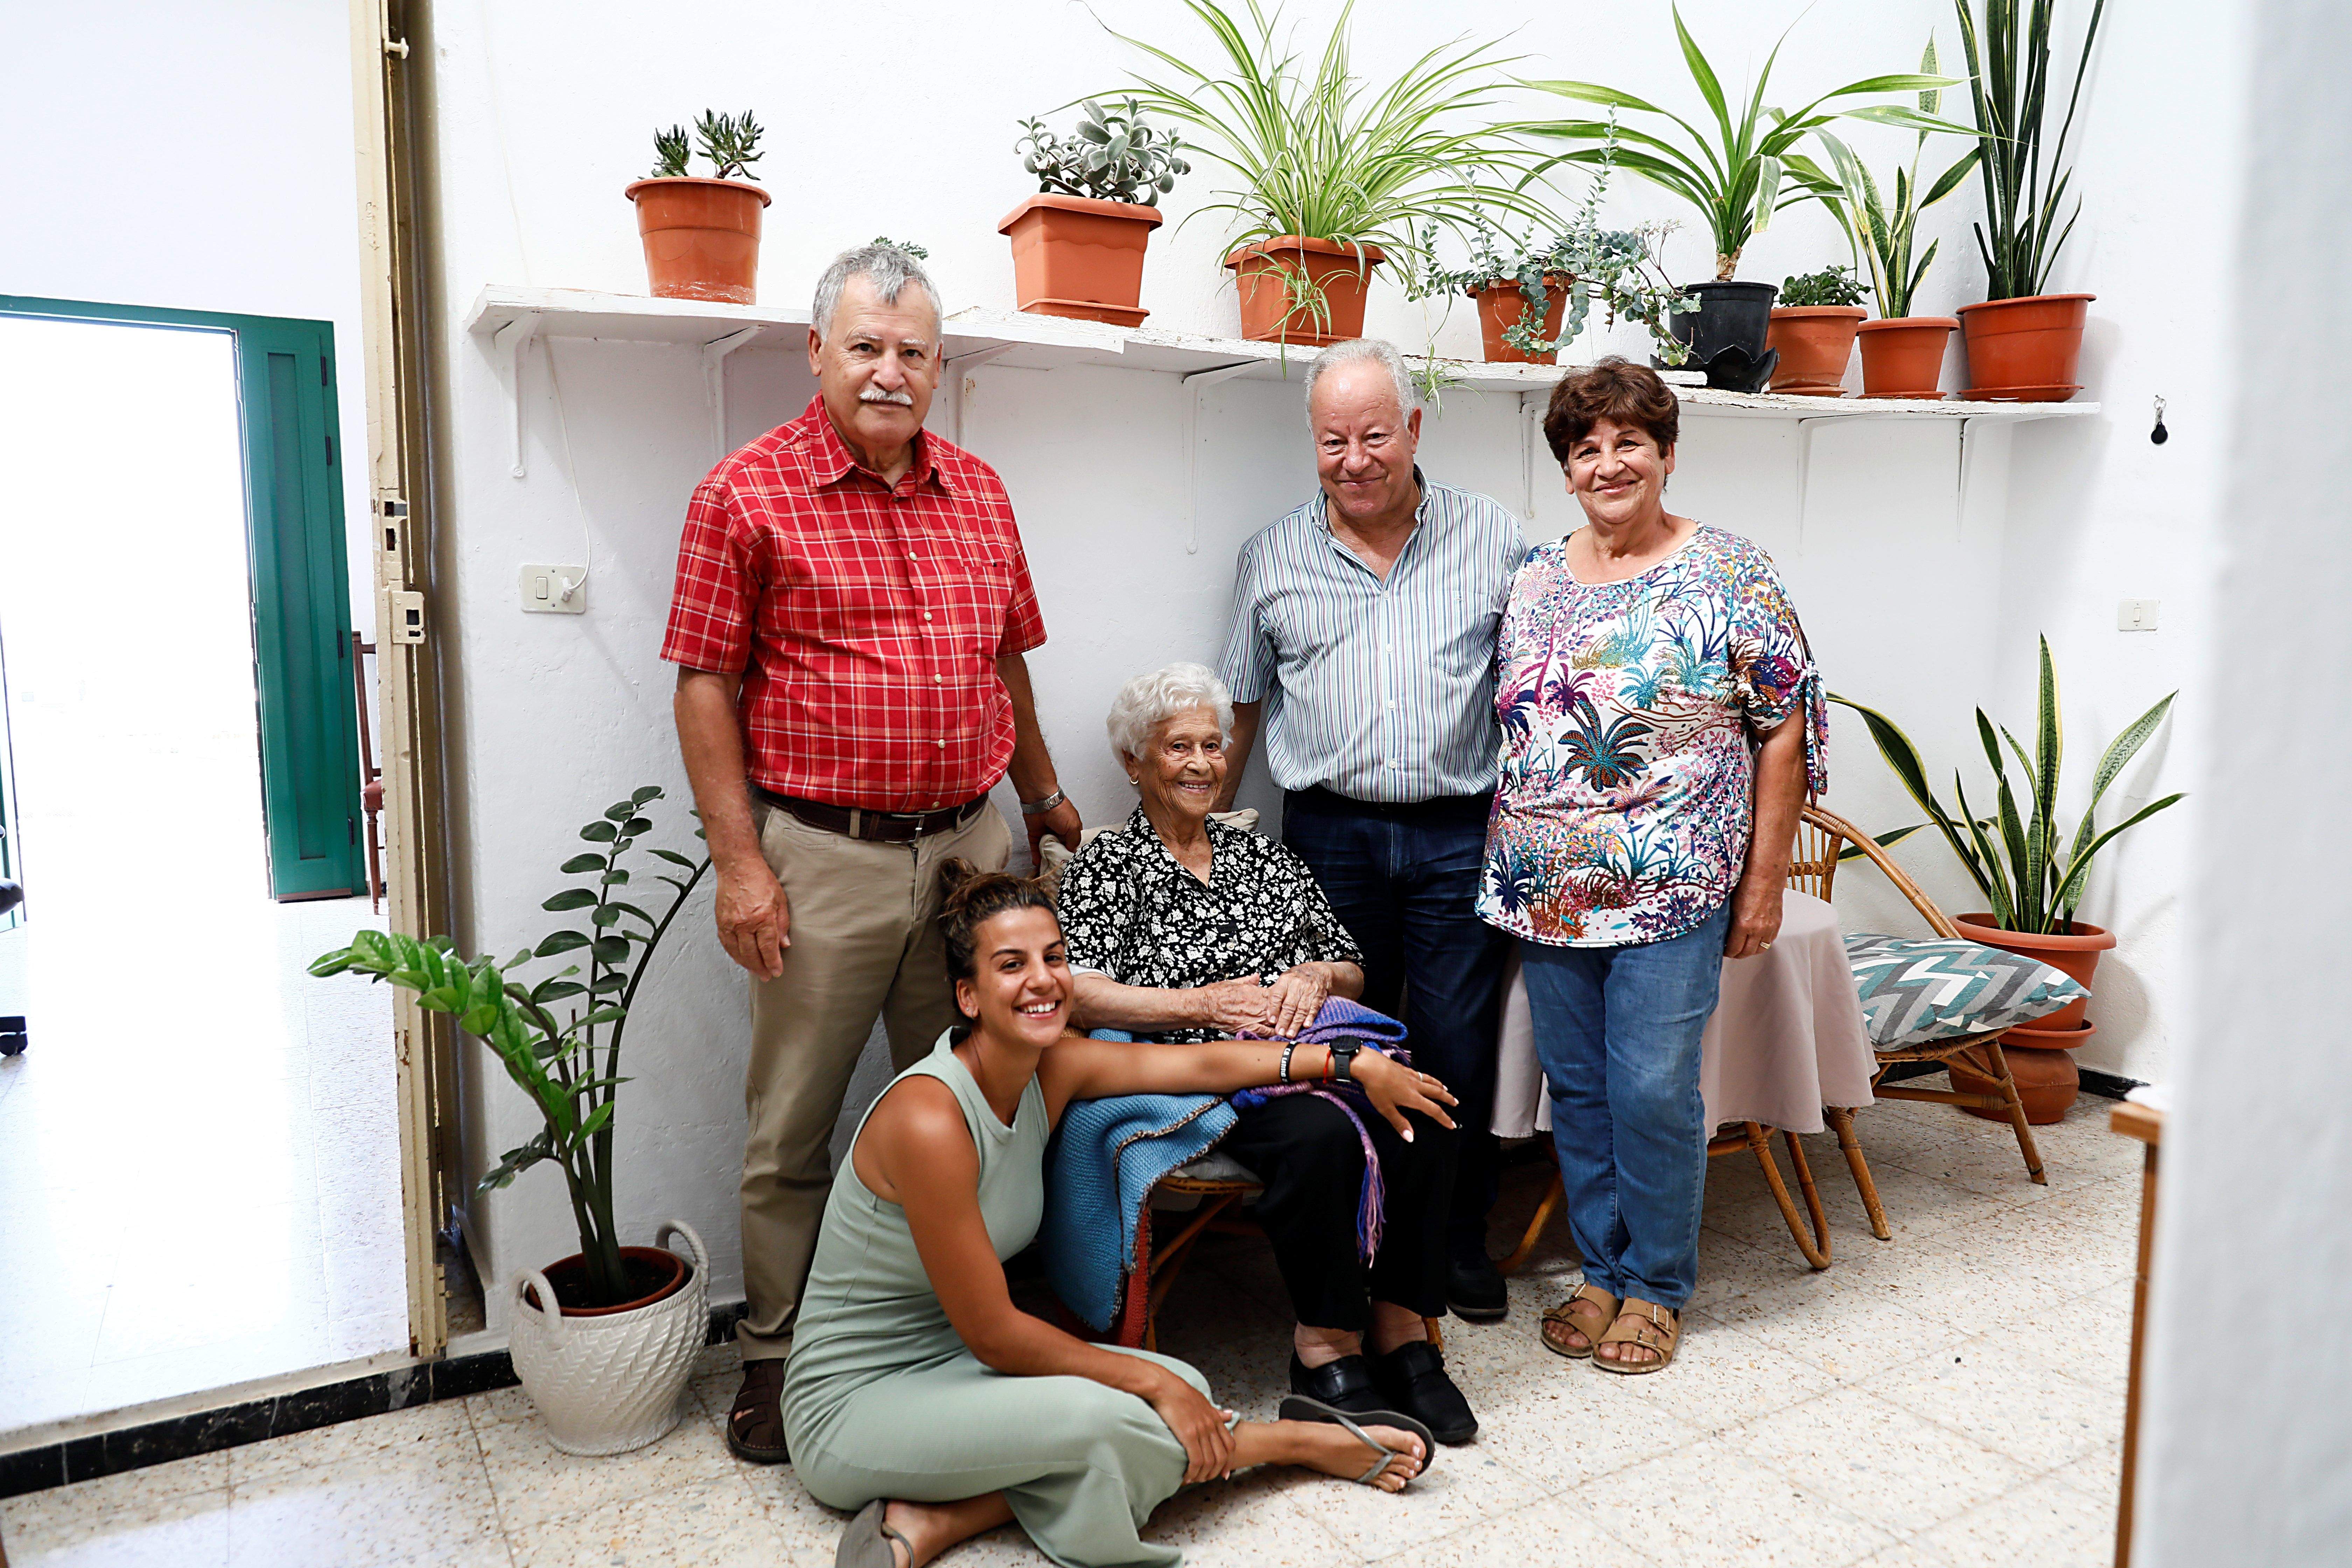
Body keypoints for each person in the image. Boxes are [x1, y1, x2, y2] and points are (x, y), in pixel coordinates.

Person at [663, 243, 1085, 1462]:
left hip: (972, 850)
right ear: (817, 353)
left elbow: (1008, 661)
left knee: (976, 1109)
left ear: (939, 365)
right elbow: (705, 693)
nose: (890, 372)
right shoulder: (742, 494)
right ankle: (779, 1359)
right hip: (822, 858)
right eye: (866, 346)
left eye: (913, 352)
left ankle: (963, 1327)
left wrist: (1045, 794)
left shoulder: (984, 492)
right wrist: (743, 866)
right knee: (791, 1128)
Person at [784, 863, 1454, 1568]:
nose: (1042, 979)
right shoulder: (929, 1117)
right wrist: (1152, 1380)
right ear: (968, 994)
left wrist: (1344, 1062)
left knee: (1185, 1390)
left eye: (1054, 957)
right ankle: (1291, 1443)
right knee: (1145, 1401)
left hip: (948, 1361)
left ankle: (941, 1518)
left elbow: (1204, 1068)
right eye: (1011, 965)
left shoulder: (1053, 1066)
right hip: (854, 1398)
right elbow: (995, 1334)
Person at [1481, 358, 1826, 1374]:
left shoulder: (1728, 570)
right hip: (1545, 887)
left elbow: (1783, 725)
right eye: (1586, 448)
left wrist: (1764, 880)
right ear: (1568, 470)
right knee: (1579, 1092)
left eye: (1629, 441)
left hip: (1672, 883)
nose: (1608, 462)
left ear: (1666, 454)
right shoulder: (1537, 579)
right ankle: (1600, 1270)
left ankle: (1658, 1284)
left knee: (1651, 1090)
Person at [1057, 662, 1477, 1445]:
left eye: (1212, 745)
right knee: (1316, 1137)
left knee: (1429, 1104)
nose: (1201, 763)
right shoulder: (1108, 865)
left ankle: (1403, 1330)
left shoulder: (1265, 857)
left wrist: (1317, 973)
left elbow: (1352, 962)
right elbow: (1077, 991)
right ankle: (1325, 1349)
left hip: (1311, 1052)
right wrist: (1203, 1004)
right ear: (1134, 762)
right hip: (1200, 1075)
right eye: (1178, 746)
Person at [1214, 338, 1528, 1324]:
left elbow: (1544, 692)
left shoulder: (1500, 540)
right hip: (1327, 838)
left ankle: (1452, 1240)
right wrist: (1216, 847)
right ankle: (1354, 1238)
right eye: (1333, 440)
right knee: (1334, 1037)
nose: (1355, 460)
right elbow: (1240, 707)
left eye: (1375, 435)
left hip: (1456, 832)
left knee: (1453, 1046)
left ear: (1416, 430)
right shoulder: (1271, 556)